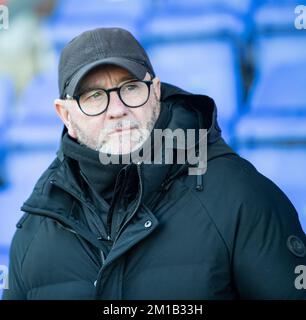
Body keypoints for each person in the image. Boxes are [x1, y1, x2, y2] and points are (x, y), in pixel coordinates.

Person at [3, 27, 306, 300]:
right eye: (94, 96)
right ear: (65, 115)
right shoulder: (34, 233)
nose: (117, 110)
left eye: (130, 87)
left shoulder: (241, 196)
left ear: (156, 91)